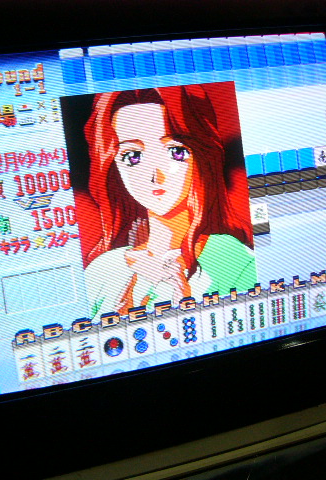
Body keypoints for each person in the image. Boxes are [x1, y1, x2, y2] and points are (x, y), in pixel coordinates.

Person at [82, 84, 257, 319]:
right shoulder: (104, 269)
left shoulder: (233, 259)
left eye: (175, 152)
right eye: (133, 156)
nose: (156, 175)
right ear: (114, 167)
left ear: (202, 156)